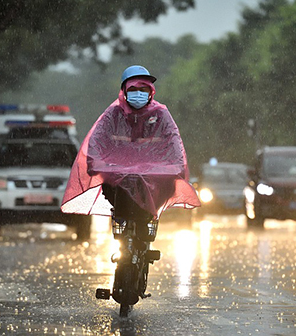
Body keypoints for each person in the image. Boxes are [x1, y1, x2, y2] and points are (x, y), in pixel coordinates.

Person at [61, 65, 200, 224]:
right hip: (118, 179)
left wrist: (177, 166)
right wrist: (95, 162)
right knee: (110, 188)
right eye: (133, 89)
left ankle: (147, 216)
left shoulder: (161, 115)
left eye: (144, 89)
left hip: (154, 178)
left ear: (151, 92)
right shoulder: (112, 115)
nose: (139, 94)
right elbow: (97, 142)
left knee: (168, 186)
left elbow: (174, 142)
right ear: (124, 91)